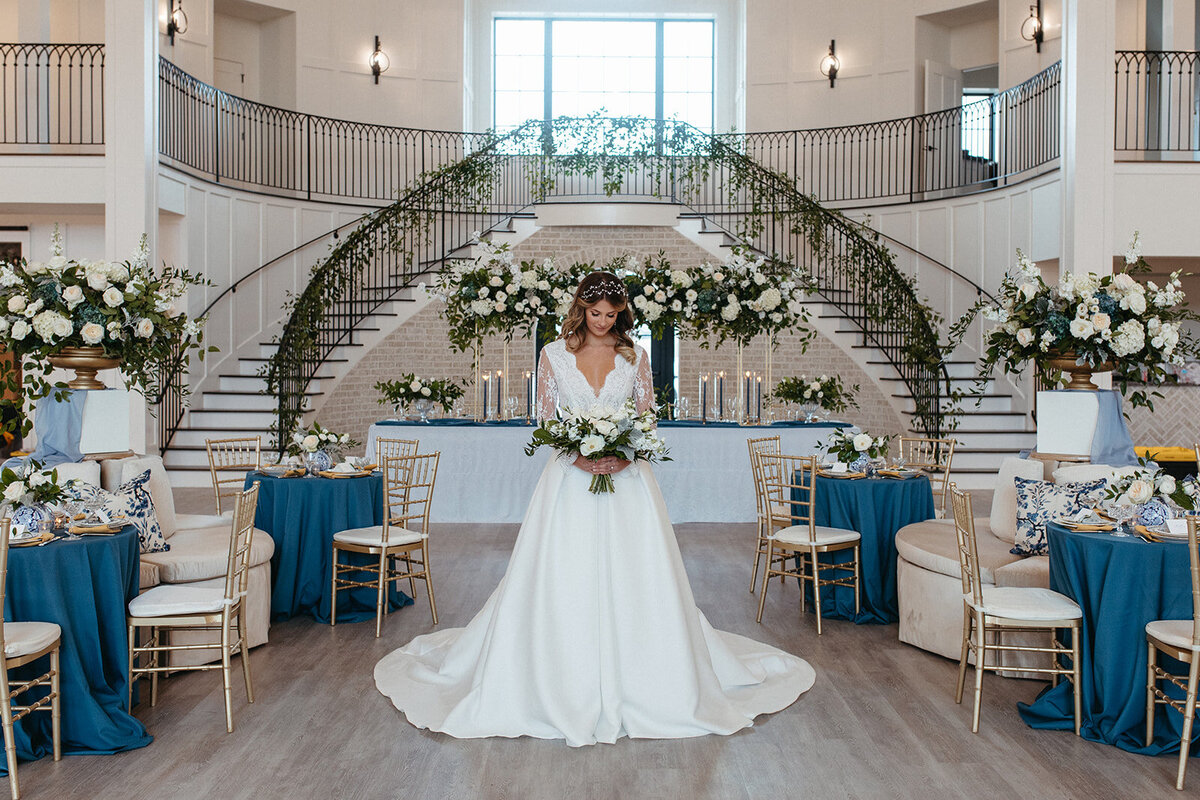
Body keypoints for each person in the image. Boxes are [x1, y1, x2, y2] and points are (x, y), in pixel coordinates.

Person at [374, 271, 815, 746]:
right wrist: (579, 454)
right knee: (564, 572)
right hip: (569, 480)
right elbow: (545, 421)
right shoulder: (553, 355)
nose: (603, 322)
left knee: (639, 573)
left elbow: (647, 415)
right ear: (580, 310)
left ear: (621, 314)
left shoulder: (635, 355)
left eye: (611, 314)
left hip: (628, 480)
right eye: (595, 313)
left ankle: (653, 673)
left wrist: (624, 454)